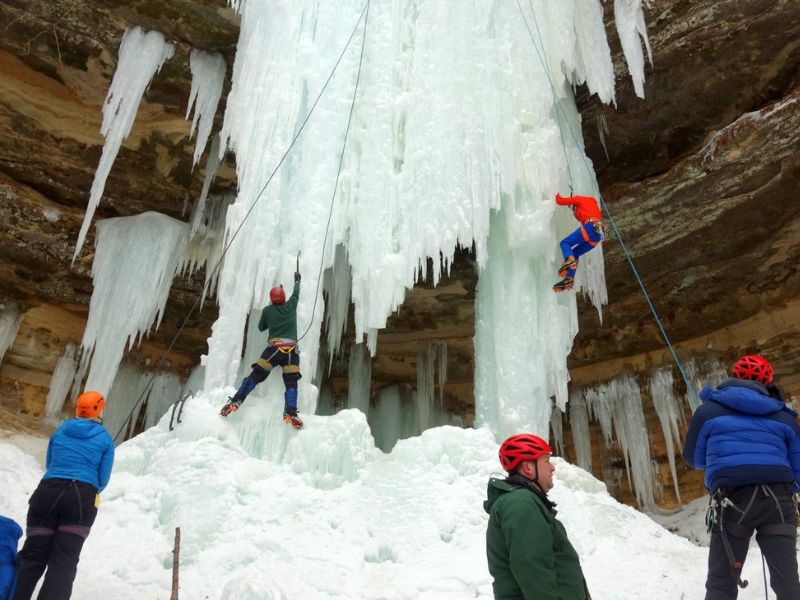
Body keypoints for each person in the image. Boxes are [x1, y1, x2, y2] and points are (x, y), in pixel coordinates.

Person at [682, 355, 800, 599]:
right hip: (777, 500)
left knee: (721, 584)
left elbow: (693, 459)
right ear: (767, 382)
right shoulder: (785, 417)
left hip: (731, 501)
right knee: (788, 582)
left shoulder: (708, 412)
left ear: (734, 375)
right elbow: (798, 468)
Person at [14, 391, 114, 600]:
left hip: (47, 493)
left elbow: (49, 464)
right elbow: (102, 480)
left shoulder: (60, 431)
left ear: (78, 409)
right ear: (100, 410)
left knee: (32, 556)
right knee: (63, 562)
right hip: (80, 498)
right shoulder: (104, 439)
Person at [484, 433, 591, 600]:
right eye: (546, 460)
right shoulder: (520, 503)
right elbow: (533, 568)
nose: (552, 467)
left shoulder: (524, 501)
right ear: (528, 468)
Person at [221, 271, 303, 429]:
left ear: (272, 300)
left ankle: (237, 400)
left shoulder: (267, 311)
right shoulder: (291, 305)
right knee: (291, 382)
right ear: (284, 298)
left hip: (273, 350)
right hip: (291, 352)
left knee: (256, 375)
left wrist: (271, 319)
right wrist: (297, 281)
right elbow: (296, 294)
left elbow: (260, 327)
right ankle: (290, 412)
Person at [553, 193, 604, 293]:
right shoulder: (592, 205)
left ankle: (569, 261)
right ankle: (569, 279)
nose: (574, 212)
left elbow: (560, 201)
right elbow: (581, 216)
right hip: (597, 235)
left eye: (573, 210)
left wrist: (555, 194)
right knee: (575, 253)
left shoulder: (579, 199)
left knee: (565, 243)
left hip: (591, 226)